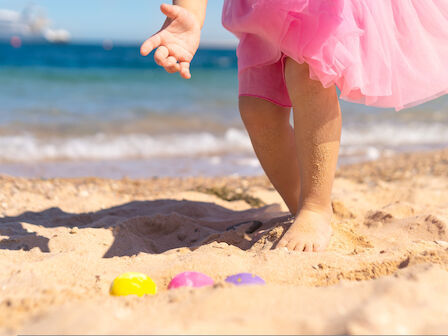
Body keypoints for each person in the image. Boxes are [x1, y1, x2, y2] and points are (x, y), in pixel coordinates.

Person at [140, 0, 448, 252]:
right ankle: (300, 203)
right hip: (259, 13)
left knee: (308, 75)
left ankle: (315, 208)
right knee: (257, 108)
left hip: (314, 7)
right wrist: (191, 15)